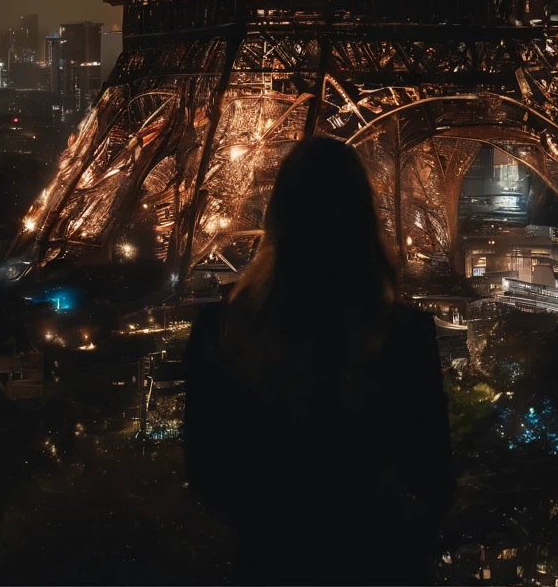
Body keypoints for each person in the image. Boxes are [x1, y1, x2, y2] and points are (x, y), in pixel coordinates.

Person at [184, 135, 454, 586]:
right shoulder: (406, 335)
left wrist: (275, 519)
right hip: (378, 559)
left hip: (272, 560)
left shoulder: (220, 330)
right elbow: (433, 473)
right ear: (367, 220)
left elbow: (208, 476)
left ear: (277, 218)